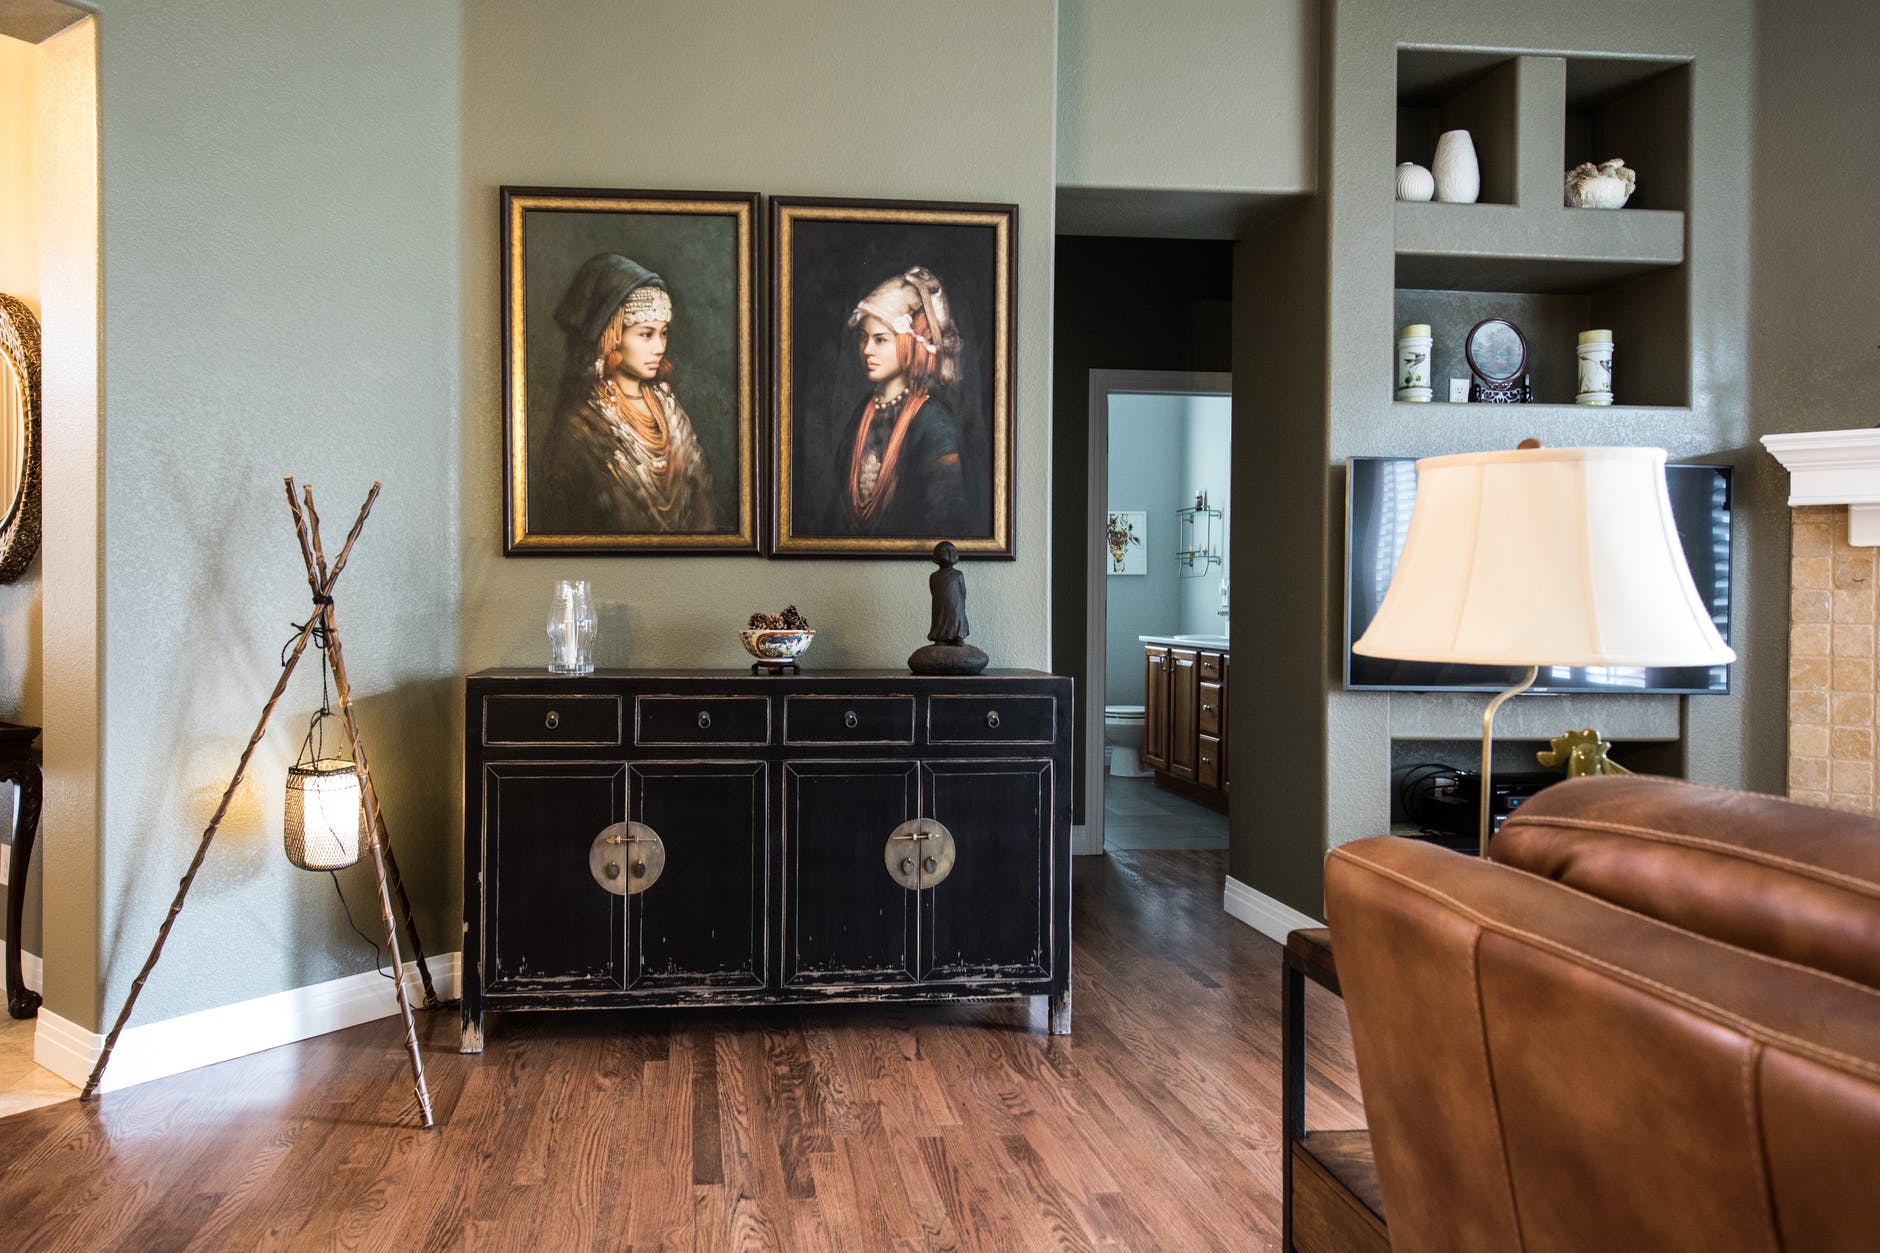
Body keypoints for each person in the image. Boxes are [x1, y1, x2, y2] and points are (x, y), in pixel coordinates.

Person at [535, 253, 717, 535]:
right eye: (646, 334)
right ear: (612, 336)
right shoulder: (581, 425)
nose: (659, 347)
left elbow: (701, 504)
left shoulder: (669, 408)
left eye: (663, 333)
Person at [823, 267, 969, 537]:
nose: (867, 350)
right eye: (864, 338)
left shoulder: (933, 424)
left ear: (909, 343)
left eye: (880, 340)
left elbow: (945, 517)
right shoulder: (862, 414)